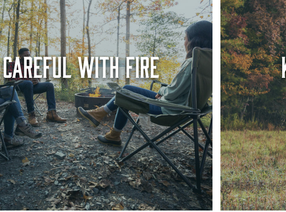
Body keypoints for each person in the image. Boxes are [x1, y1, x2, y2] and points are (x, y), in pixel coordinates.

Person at [77, 21, 212, 145]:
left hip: (170, 109)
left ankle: (109, 128)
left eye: (185, 38)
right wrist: (165, 93)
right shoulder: (210, 62)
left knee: (125, 95)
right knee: (127, 89)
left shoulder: (191, 63)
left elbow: (172, 93)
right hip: (186, 107)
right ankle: (104, 120)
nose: (184, 43)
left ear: (193, 41)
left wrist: (161, 92)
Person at [7, 47, 66, 126]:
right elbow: (10, 78)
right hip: (19, 87)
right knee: (28, 83)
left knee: (49, 85)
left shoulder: (32, 66)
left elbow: (37, 77)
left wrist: (37, 80)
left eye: (29, 55)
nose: (28, 57)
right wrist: (26, 80)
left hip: (32, 87)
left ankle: (52, 114)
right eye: (25, 56)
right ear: (20, 56)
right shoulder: (12, 64)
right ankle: (31, 115)